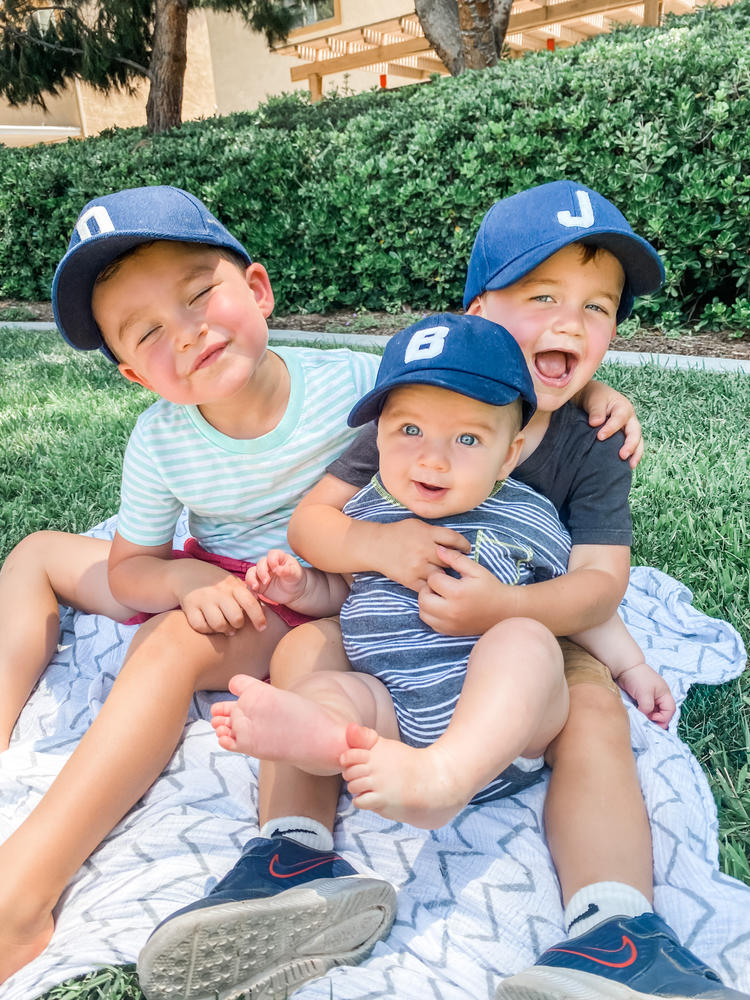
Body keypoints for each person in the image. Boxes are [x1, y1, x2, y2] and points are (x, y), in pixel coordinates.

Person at [140, 180, 749, 1000]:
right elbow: (317, 528)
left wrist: (510, 610)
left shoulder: (588, 442)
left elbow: (598, 588)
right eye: (542, 297)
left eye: (597, 308)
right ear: (478, 310)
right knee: (306, 651)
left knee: (585, 696)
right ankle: (289, 855)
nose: (570, 323)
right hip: (394, 662)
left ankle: (615, 930)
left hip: (524, 652)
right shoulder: (415, 406)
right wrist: (375, 548)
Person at [0, 184, 399, 988]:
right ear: (131, 374)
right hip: (215, 570)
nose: (187, 334)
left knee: (172, 643)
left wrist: (588, 396)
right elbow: (131, 567)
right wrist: (181, 576)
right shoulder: (162, 438)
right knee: (39, 551)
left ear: (256, 289)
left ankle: (19, 901)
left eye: (198, 295)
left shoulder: (359, 387)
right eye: (148, 332)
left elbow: (486, 398)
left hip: (327, 594)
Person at [210, 313, 662, 835]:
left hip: (501, 728)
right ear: (376, 437)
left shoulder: (524, 516)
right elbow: (347, 592)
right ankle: (324, 740)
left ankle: (448, 775)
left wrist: (633, 668)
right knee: (333, 691)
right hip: (393, 714)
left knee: (523, 639)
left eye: (467, 440)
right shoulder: (366, 512)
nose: (433, 459)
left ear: (507, 457)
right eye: (409, 430)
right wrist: (303, 586)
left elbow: (579, 603)